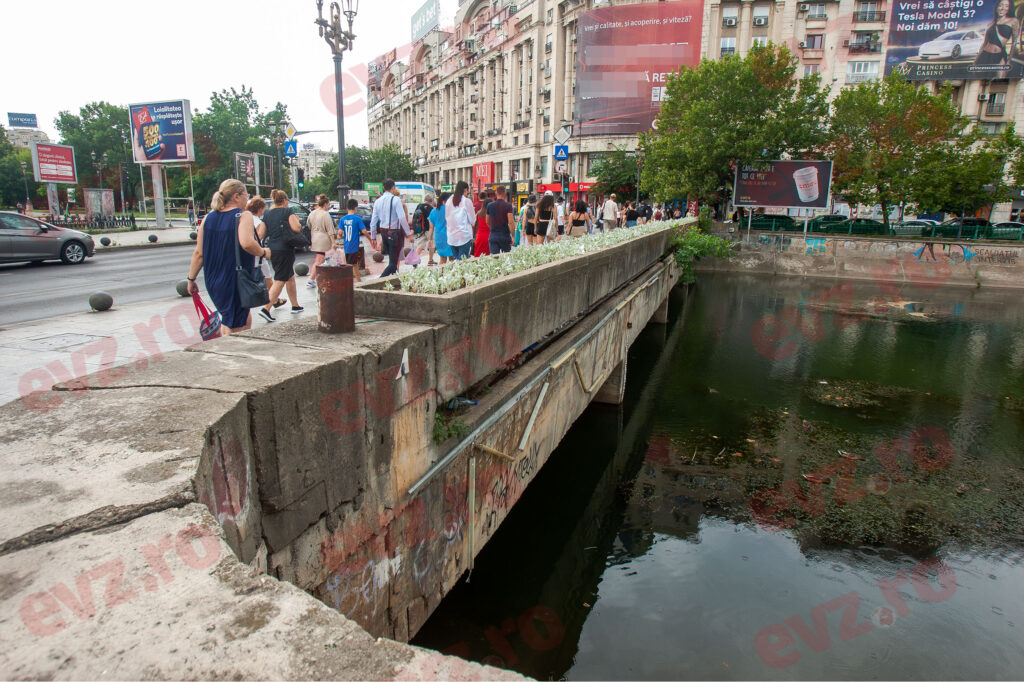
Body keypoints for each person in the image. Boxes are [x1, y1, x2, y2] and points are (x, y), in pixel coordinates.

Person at [186, 179, 270, 335]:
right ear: (237, 196)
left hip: (214, 279)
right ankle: (234, 354)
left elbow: (199, 253)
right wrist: (264, 252)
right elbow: (247, 243)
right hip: (235, 278)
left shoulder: (208, 218)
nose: (248, 199)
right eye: (246, 195)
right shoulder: (242, 215)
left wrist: (191, 279)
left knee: (233, 317)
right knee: (236, 325)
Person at [258, 189, 304, 322]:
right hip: (285, 249)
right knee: (280, 279)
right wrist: (298, 222)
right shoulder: (287, 211)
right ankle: (266, 308)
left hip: (273, 249)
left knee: (289, 277)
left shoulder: (267, 214)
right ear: (285, 201)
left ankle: (295, 305)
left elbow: (261, 234)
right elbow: (296, 228)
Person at [247, 195, 286, 311]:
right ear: (260, 209)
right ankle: (274, 300)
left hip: (247, 253)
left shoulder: (245, 218)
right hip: (258, 253)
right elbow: (258, 237)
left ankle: (275, 299)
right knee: (268, 277)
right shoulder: (258, 221)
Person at [369, 178, 413, 277]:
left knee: (392, 259)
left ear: (384, 188)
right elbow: (402, 219)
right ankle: (379, 281)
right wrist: (408, 234)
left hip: (383, 233)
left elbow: (373, 222)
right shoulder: (396, 200)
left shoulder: (378, 201)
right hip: (394, 233)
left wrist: (373, 237)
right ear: (393, 187)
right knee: (393, 264)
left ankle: (393, 282)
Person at [307, 195, 336, 287]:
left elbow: (308, 225)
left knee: (323, 258)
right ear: (326, 204)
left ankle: (321, 277)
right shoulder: (325, 214)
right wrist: (333, 242)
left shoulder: (312, 213)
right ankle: (312, 279)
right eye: (328, 204)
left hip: (314, 237)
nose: (328, 206)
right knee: (320, 259)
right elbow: (330, 229)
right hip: (323, 239)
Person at [976, 0, 1017, 65]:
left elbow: (1014, 42)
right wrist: (977, 58)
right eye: (1000, 5)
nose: (1003, 8)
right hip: (985, 55)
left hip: (1000, 55)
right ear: (997, 7)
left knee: (1000, 74)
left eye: (1006, 6)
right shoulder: (991, 24)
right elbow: (984, 43)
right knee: (980, 74)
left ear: (1009, 8)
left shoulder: (1013, 21)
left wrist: (1009, 60)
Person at [339, 199, 370, 283]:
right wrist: (370, 239)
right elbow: (364, 231)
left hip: (346, 244)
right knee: (354, 265)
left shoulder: (342, 219)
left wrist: (339, 238)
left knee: (349, 263)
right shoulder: (357, 219)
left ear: (347, 207)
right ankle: (358, 281)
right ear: (355, 208)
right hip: (353, 245)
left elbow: (339, 233)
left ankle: (352, 280)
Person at [445, 181, 476, 260]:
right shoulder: (466, 201)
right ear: (465, 190)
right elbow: (472, 220)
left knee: (456, 261)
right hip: (464, 236)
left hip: (451, 236)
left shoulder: (448, 201)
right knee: (463, 262)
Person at [486, 185, 516, 254]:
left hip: (493, 235)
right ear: (505, 194)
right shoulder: (508, 206)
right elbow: (511, 222)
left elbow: (487, 221)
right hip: (505, 236)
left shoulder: (490, 205)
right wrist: (513, 236)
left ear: (496, 193)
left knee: (494, 258)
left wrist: (493, 228)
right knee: (506, 258)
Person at [430, 192, 452, 265]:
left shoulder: (433, 211)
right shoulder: (450, 209)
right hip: (450, 235)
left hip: (439, 236)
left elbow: (431, 228)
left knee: (442, 259)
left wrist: (429, 239)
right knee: (452, 258)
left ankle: (441, 275)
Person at [473, 191, 491, 257]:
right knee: (488, 256)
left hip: (479, 236)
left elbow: (473, 225)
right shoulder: (491, 214)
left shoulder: (478, 213)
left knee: (478, 255)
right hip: (489, 236)